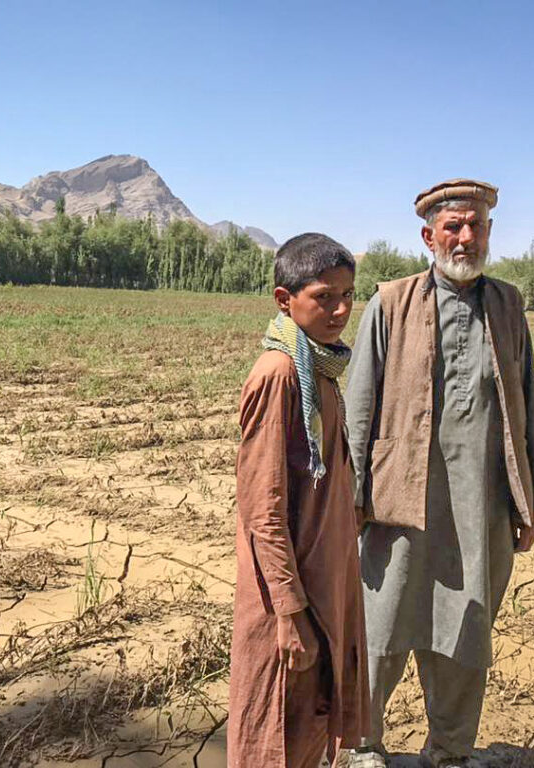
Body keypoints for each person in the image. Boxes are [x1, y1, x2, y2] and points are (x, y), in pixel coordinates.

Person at [344, 180, 534, 768]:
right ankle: (364, 746)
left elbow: (527, 403)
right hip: (397, 500)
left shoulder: (508, 305)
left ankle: (451, 751)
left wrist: (530, 500)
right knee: (381, 625)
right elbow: (360, 406)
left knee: (466, 629)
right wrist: (351, 499)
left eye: (477, 226)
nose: (466, 237)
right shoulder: (390, 303)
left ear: (489, 232)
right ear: (428, 235)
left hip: (480, 506)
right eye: (454, 226)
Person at [228, 233, 370, 768]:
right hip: (289, 597)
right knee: (276, 732)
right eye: (325, 296)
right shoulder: (282, 373)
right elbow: (261, 508)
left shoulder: (320, 367)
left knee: (309, 725)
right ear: (284, 300)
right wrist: (289, 612)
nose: (340, 309)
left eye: (348, 295)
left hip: (322, 581)